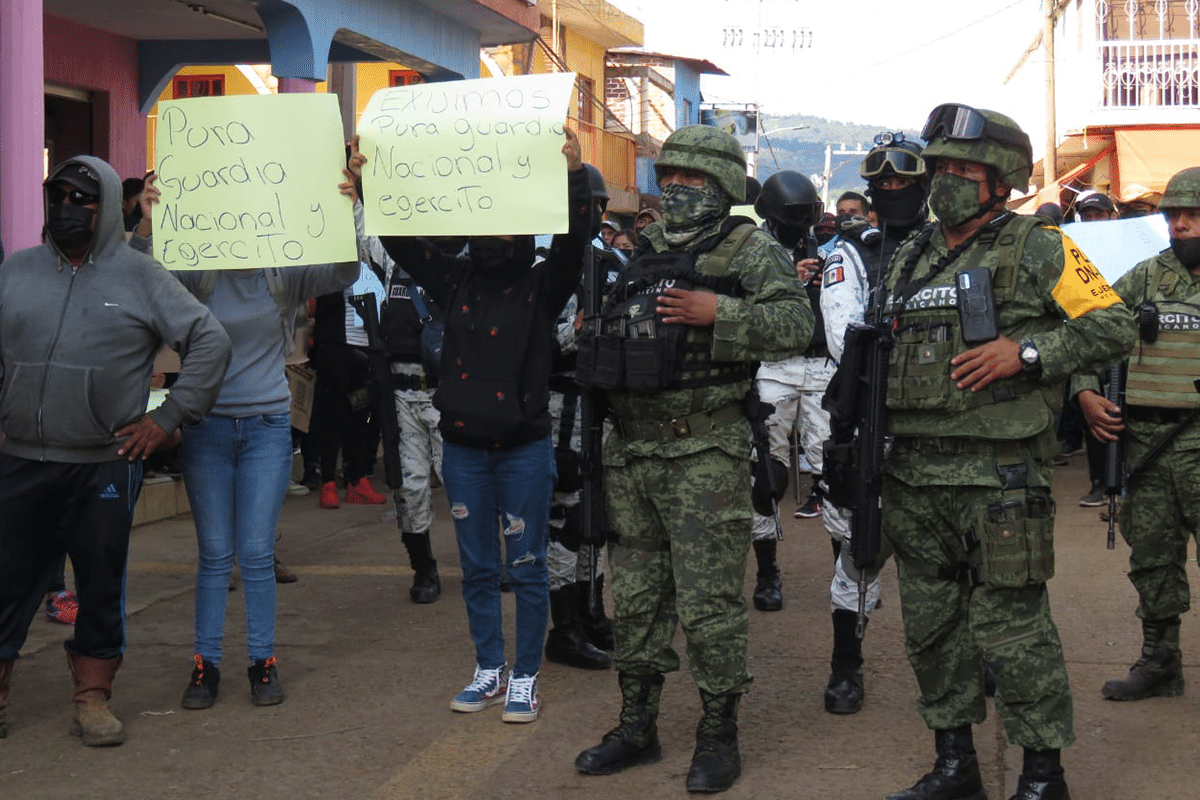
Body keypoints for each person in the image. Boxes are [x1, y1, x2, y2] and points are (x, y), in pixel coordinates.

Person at [875, 104, 1133, 800]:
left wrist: (1025, 352)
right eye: (942, 168)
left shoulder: (1040, 247)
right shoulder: (910, 253)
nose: (948, 180)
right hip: (914, 477)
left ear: (1001, 180)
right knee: (932, 632)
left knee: (1015, 633)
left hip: (998, 478)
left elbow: (1111, 325)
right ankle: (956, 764)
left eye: (966, 169)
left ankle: (1043, 776)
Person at [573, 125, 812, 793]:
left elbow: (797, 325)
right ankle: (637, 725)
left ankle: (717, 734)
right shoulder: (639, 248)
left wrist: (720, 311)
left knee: (708, 604)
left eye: (695, 178)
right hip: (631, 451)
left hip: (704, 451)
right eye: (670, 175)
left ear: (726, 187)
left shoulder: (749, 247)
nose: (677, 187)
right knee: (640, 597)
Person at [0, 156, 231, 745]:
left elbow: (209, 339)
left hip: (104, 463)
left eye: (83, 199)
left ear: (106, 207)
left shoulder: (140, 276)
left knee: (100, 586)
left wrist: (170, 417)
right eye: (59, 196)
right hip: (19, 459)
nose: (68, 209)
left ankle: (92, 697)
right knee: (6, 580)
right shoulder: (16, 271)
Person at [375, 129, 589, 724]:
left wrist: (572, 177)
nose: (494, 236)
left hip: (523, 450)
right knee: (476, 569)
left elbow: (574, 244)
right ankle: (488, 671)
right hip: (463, 449)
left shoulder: (544, 283)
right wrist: (372, 181)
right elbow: (401, 242)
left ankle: (525, 678)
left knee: (527, 567)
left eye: (507, 225)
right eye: (485, 223)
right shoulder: (455, 279)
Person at [133, 170, 358, 712]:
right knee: (214, 555)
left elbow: (344, 269)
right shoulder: (196, 272)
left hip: (266, 428)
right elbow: (141, 277)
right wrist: (146, 222)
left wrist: (351, 207)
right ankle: (205, 666)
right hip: (207, 426)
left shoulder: (283, 273)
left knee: (256, 554)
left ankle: (263, 663)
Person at [820, 131, 931, 715]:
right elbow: (847, 340)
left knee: (963, 549)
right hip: (873, 422)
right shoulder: (850, 252)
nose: (892, 190)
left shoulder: (950, 245)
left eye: (903, 181)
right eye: (882, 182)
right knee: (861, 554)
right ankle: (846, 665)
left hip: (946, 426)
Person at [1079, 166, 1200, 704]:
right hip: (1148, 445)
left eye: (1193, 216)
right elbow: (1092, 328)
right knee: (1152, 561)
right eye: (1175, 216)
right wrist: (1085, 391)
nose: (1182, 226)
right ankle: (1160, 664)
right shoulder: (1146, 276)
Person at [350, 200, 445, 605]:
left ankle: (486, 564)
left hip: (448, 395)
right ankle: (423, 569)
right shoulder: (393, 255)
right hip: (402, 394)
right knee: (409, 487)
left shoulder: (460, 254)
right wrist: (355, 190)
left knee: (466, 486)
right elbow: (360, 230)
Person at [746, 169, 826, 613]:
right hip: (773, 368)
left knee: (837, 474)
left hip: (820, 368)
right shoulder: (753, 252)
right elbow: (741, 310)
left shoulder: (829, 250)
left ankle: (847, 576)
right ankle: (767, 572)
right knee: (767, 480)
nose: (801, 224)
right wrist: (787, 281)